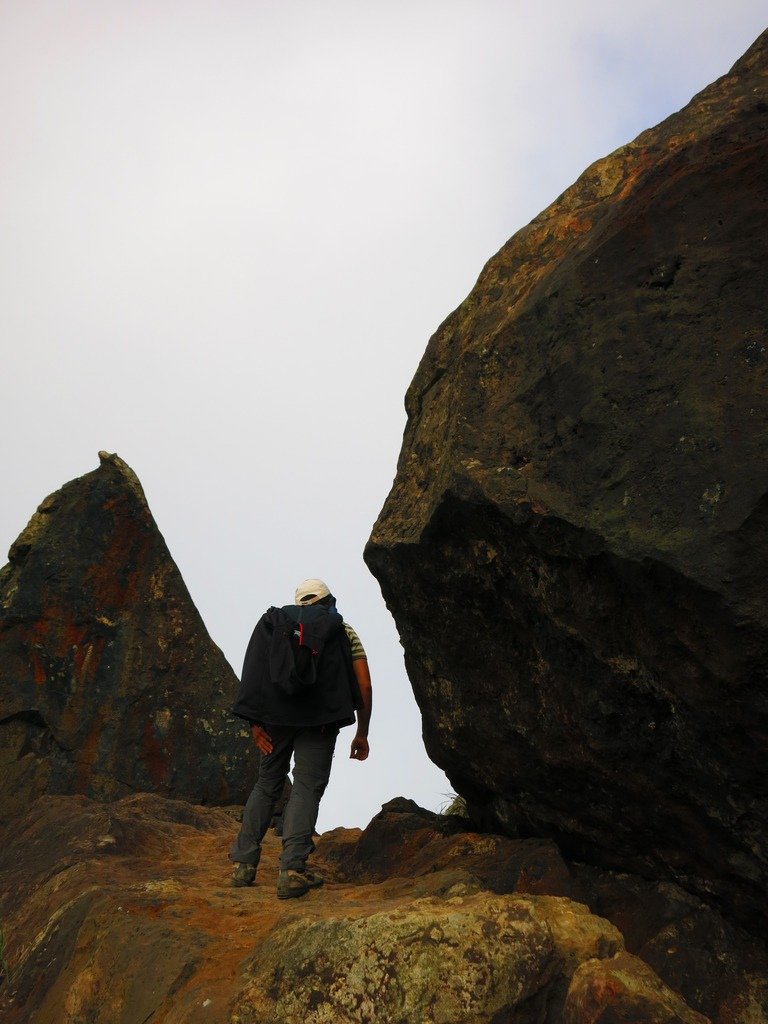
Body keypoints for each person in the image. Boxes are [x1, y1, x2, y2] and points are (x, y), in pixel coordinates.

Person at [229, 578, 373, 899]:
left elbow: (254, 668)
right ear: (328, 601)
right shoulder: (341, 629)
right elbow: (364, 685)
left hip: (274, 721)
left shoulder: (277, 625)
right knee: (306, 787)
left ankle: (243, 866)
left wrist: (254, 722)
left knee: (267, 784)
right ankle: (292, 871)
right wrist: (361, 732)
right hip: (319, 723)